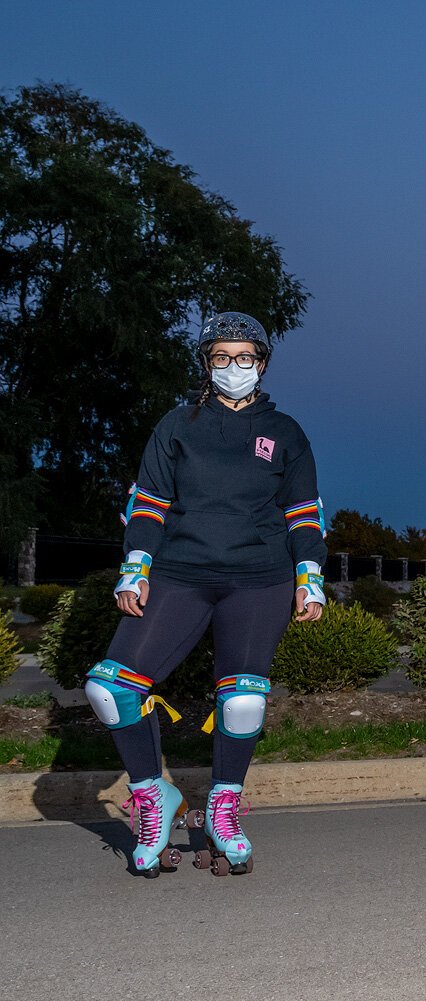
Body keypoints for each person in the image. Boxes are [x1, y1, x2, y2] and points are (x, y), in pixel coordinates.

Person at [85, 312, 327, 876]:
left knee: (243, 699)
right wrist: (135, 569)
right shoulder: (177, 426)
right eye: (222, 357)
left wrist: (308, 579)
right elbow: (148, 505)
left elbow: (304, 514)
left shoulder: (286, 432)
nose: (233, 367)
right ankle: (153, 796)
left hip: (260, 579)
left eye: (245, 357)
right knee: (110, 687)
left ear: (262, 363)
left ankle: (223, 808)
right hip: (181, 574)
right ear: (206, 363)